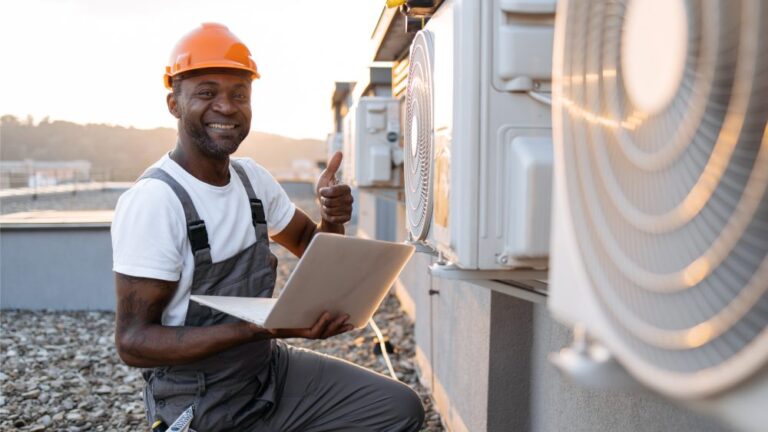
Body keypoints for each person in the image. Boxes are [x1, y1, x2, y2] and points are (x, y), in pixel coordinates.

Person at [111, 23, 425, 431]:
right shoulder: (156, 201)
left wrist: (331, 216)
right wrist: (257, 329)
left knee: (397, 408)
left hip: (266, 369)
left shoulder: (251, 181)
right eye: (206, 92)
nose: (226, 107)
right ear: (174, 103)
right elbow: (133, 343)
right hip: (199, 394)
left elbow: (316, 251)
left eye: (239, 94)